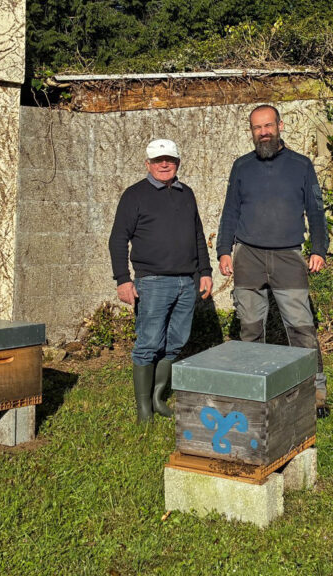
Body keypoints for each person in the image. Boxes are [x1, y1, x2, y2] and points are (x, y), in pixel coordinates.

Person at [217, 104, 331, 417]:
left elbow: (317, 212)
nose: (263, 132)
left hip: (288, 256)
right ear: (251, 131)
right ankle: (253, 392)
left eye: (268, 126)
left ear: (279, 126)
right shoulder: (241, 167)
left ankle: (314, 391)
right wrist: (224, 250)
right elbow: (230, 212)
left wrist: (319, 248)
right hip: (248, 256)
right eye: (257, 128)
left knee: (301, 328)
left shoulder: (301, 165)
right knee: (251, 329)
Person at [108, 138, 213, 422]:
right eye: (158, 160)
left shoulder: (186, 193)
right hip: (152, 282)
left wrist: (205, 272)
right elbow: (118, 239)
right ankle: (143, 407)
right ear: (148, 164)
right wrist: (123, 279)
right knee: (149, 343)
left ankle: (157, 398)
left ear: (178, 162)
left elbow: (198, 236)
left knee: (176, 342)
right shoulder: (134, 195)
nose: (164, 164)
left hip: (187, 281)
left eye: (169, 159)